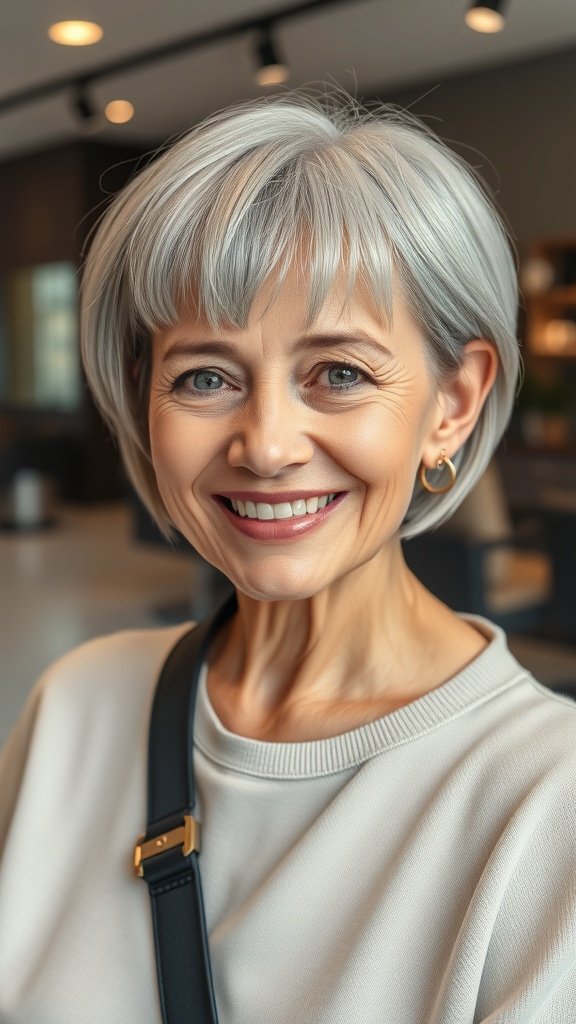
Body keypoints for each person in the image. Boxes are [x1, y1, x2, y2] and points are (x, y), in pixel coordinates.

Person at [1, 89, 575, 1024]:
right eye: (206, 377)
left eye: (338, 373)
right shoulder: (74, 707)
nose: (266, 445)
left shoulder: (546, 808)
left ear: (454, 402)